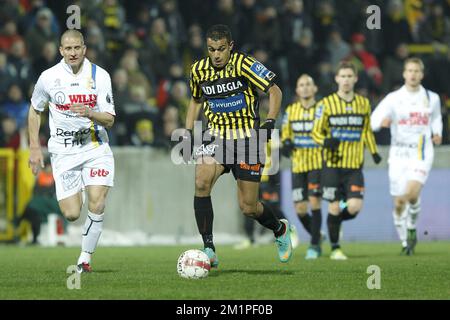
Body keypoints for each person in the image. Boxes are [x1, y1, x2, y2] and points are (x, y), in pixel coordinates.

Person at [181, 24, 292, 267]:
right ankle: (208, 248)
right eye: (211, 49)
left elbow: (275, 91)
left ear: (230, 46)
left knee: (249, 208)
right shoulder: (198, 70)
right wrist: (188, 132)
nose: (217, 55)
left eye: (221, 49)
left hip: (247, 139)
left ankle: (279, 229)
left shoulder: (244, 64)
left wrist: (270, 121)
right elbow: (195, 100)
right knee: (201, 181)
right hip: (216, 136)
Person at [28, 30, 115, 273]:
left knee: (97, 203)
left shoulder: (100, 76)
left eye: (77, 48)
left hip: (95, 147)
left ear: (84, 49)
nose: (73, 53)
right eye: (68, 49)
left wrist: (89, 112)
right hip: (64, 152)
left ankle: (84, 259)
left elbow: (109, 120)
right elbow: (35, 110)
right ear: (61, 51)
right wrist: (34, 147)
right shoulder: (48, 77)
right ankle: (80, 190)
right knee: (72, 214)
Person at [371, 57, 442, 255]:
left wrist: (437, 133)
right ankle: (405, 240)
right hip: (398, 154)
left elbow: (436, 118)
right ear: (404, 74)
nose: (413, 74)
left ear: (422, 74)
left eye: (417, 71)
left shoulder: (431, 97)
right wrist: (381, 123)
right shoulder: (393, 98)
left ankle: (411, 226)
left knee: (411, 193)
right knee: (400, 202)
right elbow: (372, 120)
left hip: (420, 152)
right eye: (410, 71)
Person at [311, 61, 381, 260]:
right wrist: (325, 141)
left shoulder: (364, 103)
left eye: (350, 76)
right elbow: (315, 132)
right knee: (333, 205)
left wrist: (374, 151)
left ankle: (335, 221)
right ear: (336, 79)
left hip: (354, 166)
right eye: (343, 76)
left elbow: (366, 130)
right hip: (332, 165)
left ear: (356, 78)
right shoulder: (325, 104)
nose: (346, 80)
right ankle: (335, 248)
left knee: (354, 207)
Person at [281, 74, 324, 259]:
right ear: (297, 90)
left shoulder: (323, 109)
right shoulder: (291, 111)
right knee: (300, 209)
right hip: (298, 165)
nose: (305, 88)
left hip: (317, 164)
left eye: (308, 84)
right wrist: (286, 144)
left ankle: (314, 245)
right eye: (301, 85)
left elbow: (329, 133)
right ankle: (318, 235)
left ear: (314, 89)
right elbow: (285, 135)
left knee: (314, 202)